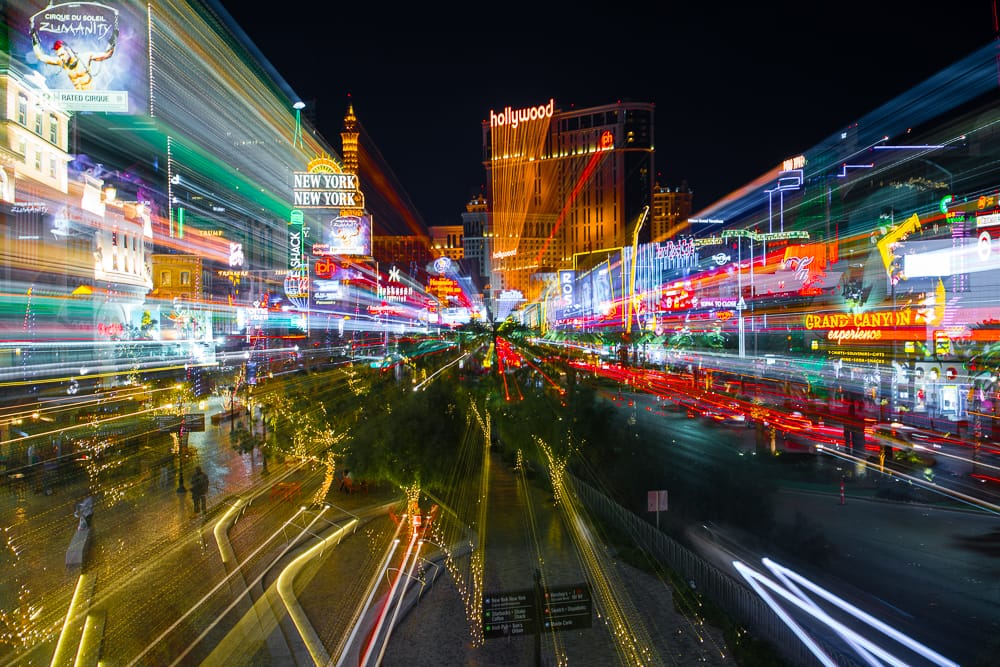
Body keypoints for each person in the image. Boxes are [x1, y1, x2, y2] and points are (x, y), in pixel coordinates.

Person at [32, 30, 117, 91]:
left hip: (91, 98)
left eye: (62, 54)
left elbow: (107, 54)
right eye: (59, 56)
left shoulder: (85, 57)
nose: (61, 57)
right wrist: (34, 38)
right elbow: (41, 57)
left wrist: (113, 39)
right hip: (78, 101)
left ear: (68, 50)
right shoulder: (62, 62)